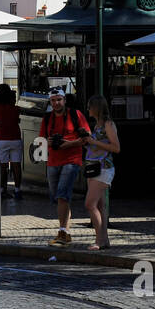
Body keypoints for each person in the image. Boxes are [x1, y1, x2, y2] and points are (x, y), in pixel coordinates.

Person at [41, 89, 89, 246]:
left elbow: (86, 137)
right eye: (53, 100)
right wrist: (49, 142)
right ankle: (65, 232)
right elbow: (41, 139)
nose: (56, 103)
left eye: (59, 100)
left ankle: (63, 232)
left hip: (71, 159)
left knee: (62, 195)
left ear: (65, 100)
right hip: (53, 161)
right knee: (58, 197)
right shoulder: (47, 118)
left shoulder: (76, 115)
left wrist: (69, 144)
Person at [82, 94, 121, 250]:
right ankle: (104, 240)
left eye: (90, 106)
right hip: (93, 167)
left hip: (103, 168)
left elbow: (116, 148)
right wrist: (88, 143)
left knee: (89, 204)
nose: (88, 109)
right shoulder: (97, 125)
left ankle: (99, 240)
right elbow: (98, 146)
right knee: (100, 205)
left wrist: (94, 142)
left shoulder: (108, 125)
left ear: (96, 108)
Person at [0, 84, 24, 200]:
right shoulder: (16, 108)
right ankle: (17, 191)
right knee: (17, 166)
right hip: (16, 139)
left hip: (2, 139)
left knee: (2, 167)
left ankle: (2, 190)